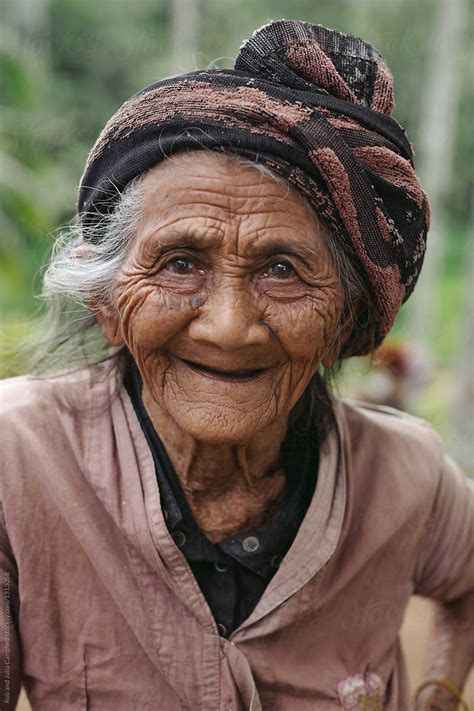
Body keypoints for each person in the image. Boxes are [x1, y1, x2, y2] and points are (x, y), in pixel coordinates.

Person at [0, 19, 472, 711]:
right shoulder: (18, 462)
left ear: (346, 315)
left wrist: (436, 691)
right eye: (180, 262)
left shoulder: (406, 477)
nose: (227, 326)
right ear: (106, 302)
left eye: (282, 270)